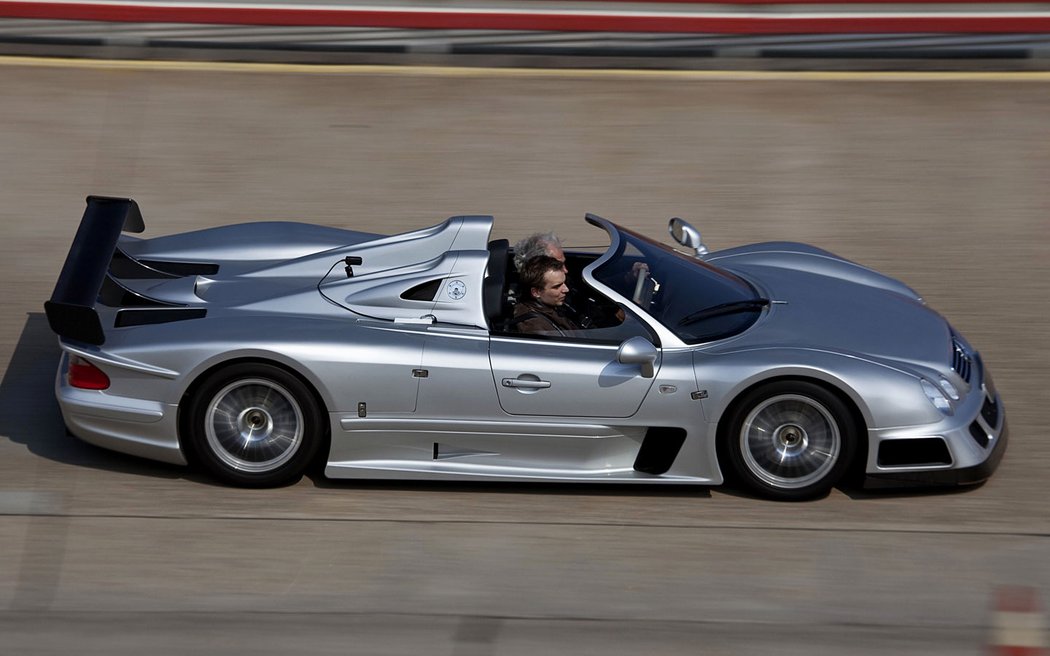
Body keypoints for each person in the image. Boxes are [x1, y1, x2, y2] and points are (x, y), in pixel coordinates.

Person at [511, 255, 579, 336]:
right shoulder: (535, 327)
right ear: (536, 292)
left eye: (564, 282)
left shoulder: (550, 305)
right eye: (557, 286)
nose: (566, 289)